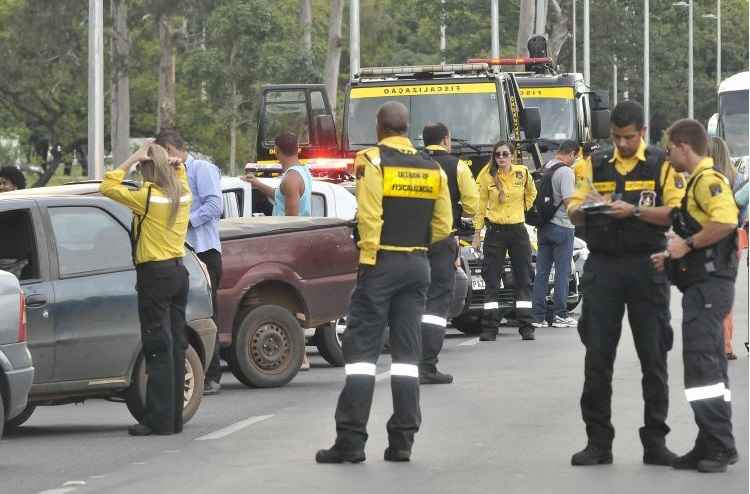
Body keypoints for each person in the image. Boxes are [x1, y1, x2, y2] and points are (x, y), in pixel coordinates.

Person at [316, 101, 452, 464]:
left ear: (380, 128)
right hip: (418, 264)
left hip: (382, 265)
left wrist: (368, 261)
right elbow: (443, 224)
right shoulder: (432, 167)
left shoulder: (373, 161)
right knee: (408, 355)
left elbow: (371, 215)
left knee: (362, 355)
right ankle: (403, 440)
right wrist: (419, 247)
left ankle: (351, 441)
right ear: (407, 128)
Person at [567, 100, 684, 466]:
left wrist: (632, 210)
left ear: (642, 133)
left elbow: (675, 213)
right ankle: (598, 442)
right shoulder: (593, 163)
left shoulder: (660, 164)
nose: (623, 144)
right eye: (617, 137)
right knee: (597, 357)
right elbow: (572, 211)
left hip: (646, 266)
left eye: (629, 137)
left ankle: (655, 442)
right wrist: (588, 207)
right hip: (603, 268)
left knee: (654, 357)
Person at [650, 119, 739, 473]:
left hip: (709, 286)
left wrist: (685, 245)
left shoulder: (708, 181)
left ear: (684, 146)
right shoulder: (695, 182)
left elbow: (725, 222)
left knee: (703, 366)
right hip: (701, 286)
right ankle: (709, 441)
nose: (667, 153)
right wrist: (672, 254)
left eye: (670, 147)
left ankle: (720, 445)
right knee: (710, 367)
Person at [100, 142, 192, 436]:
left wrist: (131, 159)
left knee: (157, 347)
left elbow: (108, 186)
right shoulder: (182, 192)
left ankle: (158, 420)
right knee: (176, 346)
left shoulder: (148, 196)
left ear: (148, 170)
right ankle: (174, 419)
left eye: (142, 168)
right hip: (179, 272)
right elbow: (181, 175)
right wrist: (176, 165)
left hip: (156, 275)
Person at [155, 129, 224, 394]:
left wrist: (185, 221)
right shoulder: (169, 175)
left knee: (208, 314)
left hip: (204, 251)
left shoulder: (201, 169)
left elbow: (214, 206)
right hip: (179, 253)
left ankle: (212, 374)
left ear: (172, 150)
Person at [244, 132, 314, 370]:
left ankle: (300, 354)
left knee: (287, 301)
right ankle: (299, 354)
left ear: (276, 150)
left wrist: (280, 248)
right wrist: (256, 183)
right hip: (296, 246)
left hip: (289, 246)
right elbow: (280, 197)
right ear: (297, 149)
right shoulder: (299, 174)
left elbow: (291, 219)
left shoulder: (291, 179)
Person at [420, 122, 479, 384]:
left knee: (412, 301)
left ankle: (408, 360)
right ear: (446, 140)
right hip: (442, 240)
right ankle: (427, 366)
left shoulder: (413, 163)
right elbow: (471, 203)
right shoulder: (457, 166)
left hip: (410, 242)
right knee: (436, 304)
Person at [473, 141, 537, 341]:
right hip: (495, 231)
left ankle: (526, 326)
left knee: (524, 278)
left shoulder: (523, 172)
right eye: (498, 154)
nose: (501, 158)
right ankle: (490, 327)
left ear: (512, 156)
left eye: (505, 154)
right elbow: (480, 204)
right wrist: (477, 233)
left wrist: (524, 208)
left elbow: (532, 193)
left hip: (518, 230)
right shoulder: (486, 175)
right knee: (492, 279)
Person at [531, 139, 579, 329]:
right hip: (562, 227)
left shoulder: (546, 167)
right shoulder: (566, 171)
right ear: (572, 154)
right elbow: (568, 201)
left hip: (543, 227)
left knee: (541, 273)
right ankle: (560, 314)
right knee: (562, 272)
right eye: (575, 157)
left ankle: (538, 316)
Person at [709, 136, 747, 360]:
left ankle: (713, 342)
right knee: (725, 293)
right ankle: (726, 344)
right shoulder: (739, 178)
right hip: (733, 241)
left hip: (708, 239)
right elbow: (743, 215)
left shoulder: (703, 179)